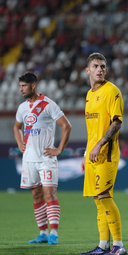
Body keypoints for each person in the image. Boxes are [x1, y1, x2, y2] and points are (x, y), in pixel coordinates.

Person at [13, 72, 72, 245]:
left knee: (49, 193)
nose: (21, 89)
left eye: (24, 86)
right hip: (29, 159)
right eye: (20, 86)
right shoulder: (22, 108)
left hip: (46, 158)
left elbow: (66, 126)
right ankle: (43, 233)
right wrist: (19, 143)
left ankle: (54, 233)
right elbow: (17, 127)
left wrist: (59, 149)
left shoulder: (48, 105)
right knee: (37, 195)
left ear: (33, 85)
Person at [79, 53, 126, 255]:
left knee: (104, 195)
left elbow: (116, 122)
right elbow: (92, 129)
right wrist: (86, 153)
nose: (100, 69)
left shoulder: (112, 91)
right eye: (96, 66)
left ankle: (119, 245)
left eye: (103, 66)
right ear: (87, 70)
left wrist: (99, 145)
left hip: (107, 153)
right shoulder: (89, 95)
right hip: (93, 154)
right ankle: (103, 246)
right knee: (98, 200)